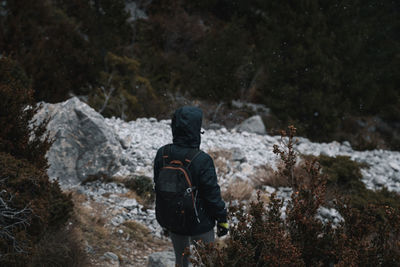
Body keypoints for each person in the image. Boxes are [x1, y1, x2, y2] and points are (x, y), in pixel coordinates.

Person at [153, 106, 228, 267]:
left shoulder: (162, 153)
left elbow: (158, 188)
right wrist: (222, 220)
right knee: (208, 262)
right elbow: (212, 195)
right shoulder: (202, 159)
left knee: (180, 262)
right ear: (195, 130)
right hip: (199, 223)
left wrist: (165, 220)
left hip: (173, 220)